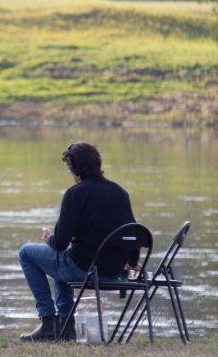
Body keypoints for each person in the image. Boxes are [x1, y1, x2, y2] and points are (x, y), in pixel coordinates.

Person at [18, 142, 138, 341]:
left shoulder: (75, 194)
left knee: (26, 253)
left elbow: (60, 243)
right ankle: (66, 328)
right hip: (115, 272)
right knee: (59, 260)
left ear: (74, 169)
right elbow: (133, 234)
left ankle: (49, 322)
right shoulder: (120, 192)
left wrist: (49, 237)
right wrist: (132, 263)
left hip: (84, 269)